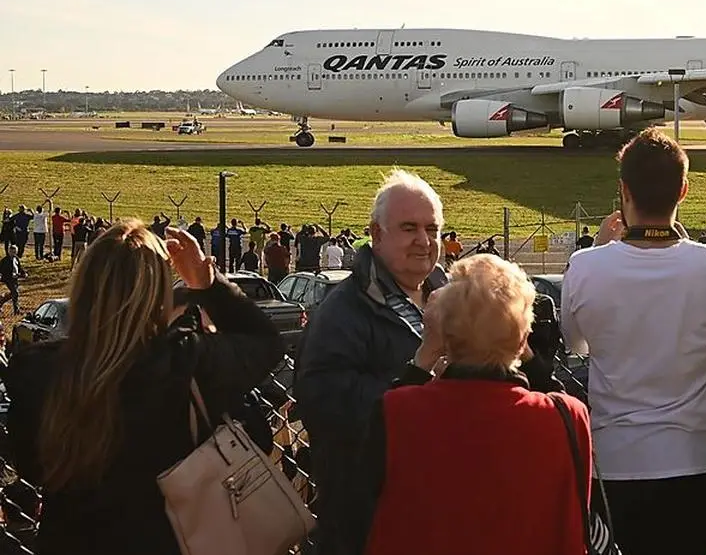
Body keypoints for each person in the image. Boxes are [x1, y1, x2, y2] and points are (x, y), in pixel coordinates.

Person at [3, 220, 283, 555]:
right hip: (172, 539)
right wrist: (206, 283)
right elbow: (266, 343)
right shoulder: (184, 360)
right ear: (156, 294)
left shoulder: (38, 372)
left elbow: (31, 468)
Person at [560, 128, 706, 555]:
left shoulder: (586, 267)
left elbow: (576, 345)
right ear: (683, 189)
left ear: (623, 190)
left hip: (616, 463)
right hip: (695, 459)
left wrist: (602, 253)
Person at [352, 254, 591, 555]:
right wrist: (523, 345)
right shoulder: (566, 417)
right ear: (523, 340)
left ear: (445, 338)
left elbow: (365, 505)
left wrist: (426, 352)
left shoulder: (398, 411)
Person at [294, 170, 449, 555]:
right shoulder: (342, 312)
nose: (424, 241)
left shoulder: (447, 299)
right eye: (409, 228)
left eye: (433, 229)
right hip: (368, 521)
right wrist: (421, 373)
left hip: (440, 513)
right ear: (376, 235)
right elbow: (325, 406)